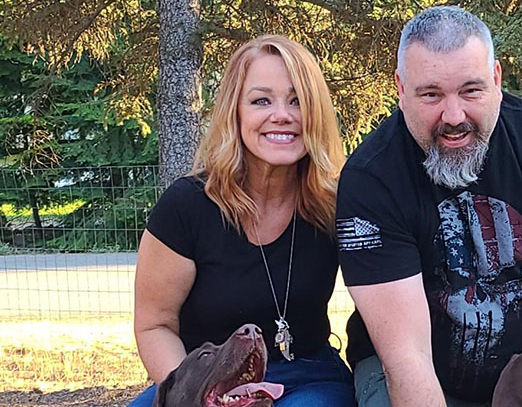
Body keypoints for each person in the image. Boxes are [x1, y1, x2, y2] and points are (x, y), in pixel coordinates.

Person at [336, 6, 522, 407]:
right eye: (431, 94)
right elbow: (407, 357)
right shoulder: (371, 179)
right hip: (419, 380)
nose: (454, 116)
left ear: (496, 79)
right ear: (401, 90)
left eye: (471, 90)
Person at [128, 35, 355, 407]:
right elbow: (155, 324)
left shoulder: (335, 203)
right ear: (235, 110)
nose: (281, 114)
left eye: (298, 101)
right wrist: (199, 397)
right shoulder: (187, 205)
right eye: (261, 100)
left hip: (306, 378)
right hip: (206, 377)